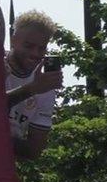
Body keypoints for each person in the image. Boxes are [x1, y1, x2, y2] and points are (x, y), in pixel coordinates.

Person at [5, 10, 63, 159]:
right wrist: (32, 89)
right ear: (13, 40)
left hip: (3, 165)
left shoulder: (46, 88)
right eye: (28, 46)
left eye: (42, 48)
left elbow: (34, 150)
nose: (35, 54)